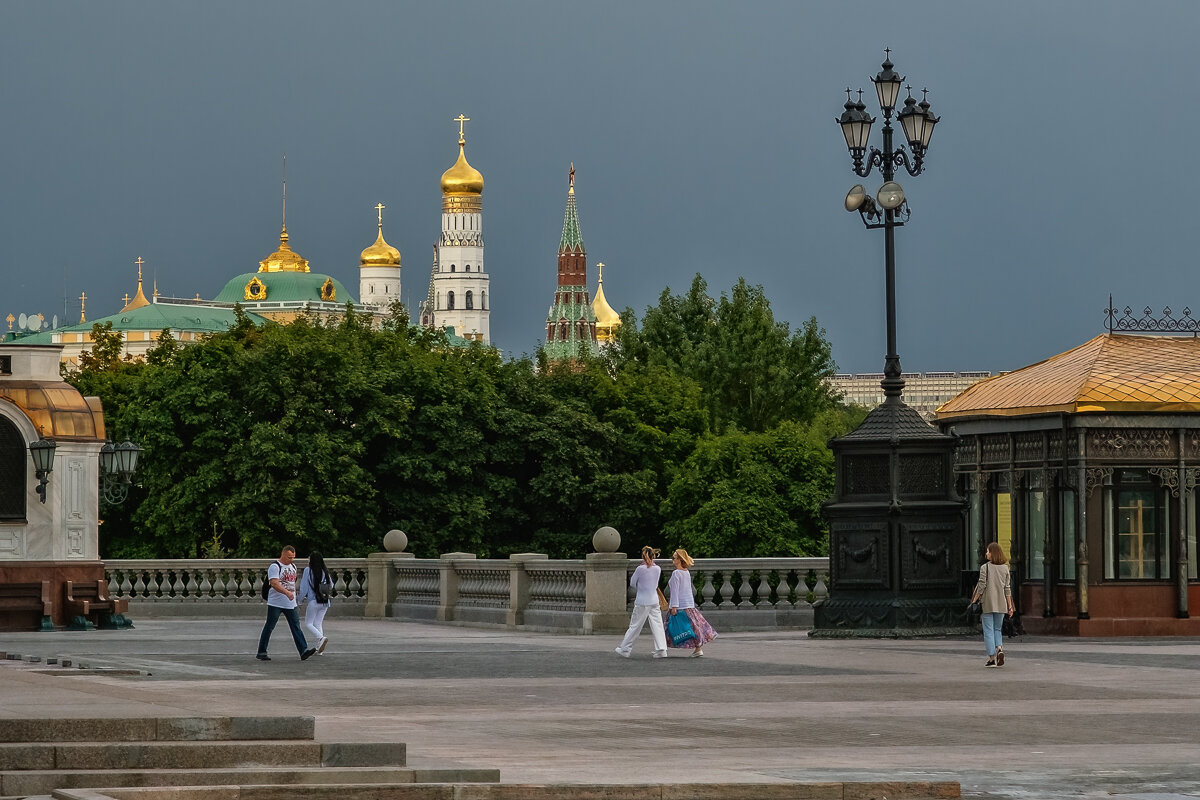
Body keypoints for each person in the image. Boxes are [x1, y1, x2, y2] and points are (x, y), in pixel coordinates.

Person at [257, 545, 317, 662]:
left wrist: (293, 598)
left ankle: (303, 650)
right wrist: (286, 593)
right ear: (283, 554)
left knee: (296, 626)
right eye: (289, 557)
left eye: (293, 557)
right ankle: (262, 651)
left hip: (290, 603)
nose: (291, 559)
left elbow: (292, 583)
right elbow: (274, 583)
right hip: (276, 602)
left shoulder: (293, 566)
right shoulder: (275, 566)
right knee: (269, 626)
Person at [614, 546, 667, 659]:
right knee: (657, 625)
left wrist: (641, 586)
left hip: (642, 601)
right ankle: (662, 649)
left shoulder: (640, 569)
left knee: (635, 625)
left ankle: (625, 649)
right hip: (654, 600)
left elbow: (633, 583)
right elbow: (656, 584)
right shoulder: (657, 569)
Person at [663, 549, 718, 657]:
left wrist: (674, 606)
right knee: (693, 627)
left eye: (674, 557)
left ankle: (661, 649)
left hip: (679, 605)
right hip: (688, 604)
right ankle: (698, 648)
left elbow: (675, 591)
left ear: (679, 559)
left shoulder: (676, 573)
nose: (672, 559)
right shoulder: (686, 572)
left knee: (668, 628)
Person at [970, 541, 1015, 667]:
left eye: (988, 551)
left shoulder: (985, 568)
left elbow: (981, 586)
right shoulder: (1005, 568)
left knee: (988, 630)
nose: (986, 553)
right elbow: (1007, 589)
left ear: (993, 553)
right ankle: (999, 648)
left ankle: (991, 658)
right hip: (1001, 604)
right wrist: (1010, 606)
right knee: (997, 629)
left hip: (987, 603)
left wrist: (974, 600)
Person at [298, 550, 333, 655]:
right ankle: (319, 648)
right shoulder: (324, 571)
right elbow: (331, 585)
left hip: (313, 601)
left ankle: (321, 638)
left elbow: (303, 588)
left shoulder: (308, 570)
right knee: (318, 623)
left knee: (308, 623)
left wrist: (299, 601)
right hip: (325, 601)